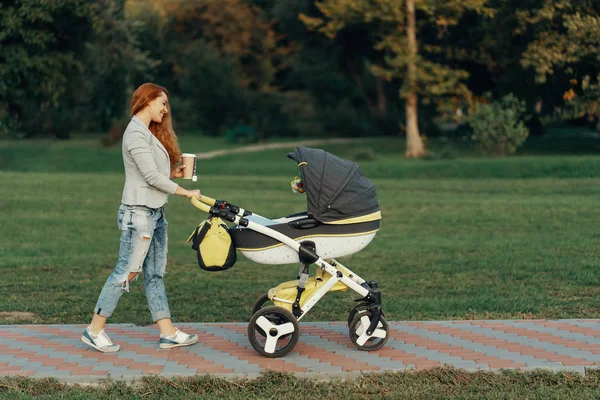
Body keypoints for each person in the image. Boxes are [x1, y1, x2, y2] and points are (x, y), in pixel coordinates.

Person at [81, 83, 200, 353]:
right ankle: (94, 330)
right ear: (148, 101)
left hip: (155, 213)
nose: (166, 109)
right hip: (139, 215)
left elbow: (154, 175)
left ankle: (168, 333)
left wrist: (177, 174)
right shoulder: (134, 133)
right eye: (163, 102)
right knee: (127, 272)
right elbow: (149, 177)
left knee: (155, 274)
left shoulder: (148, 133)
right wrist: (184, 191)